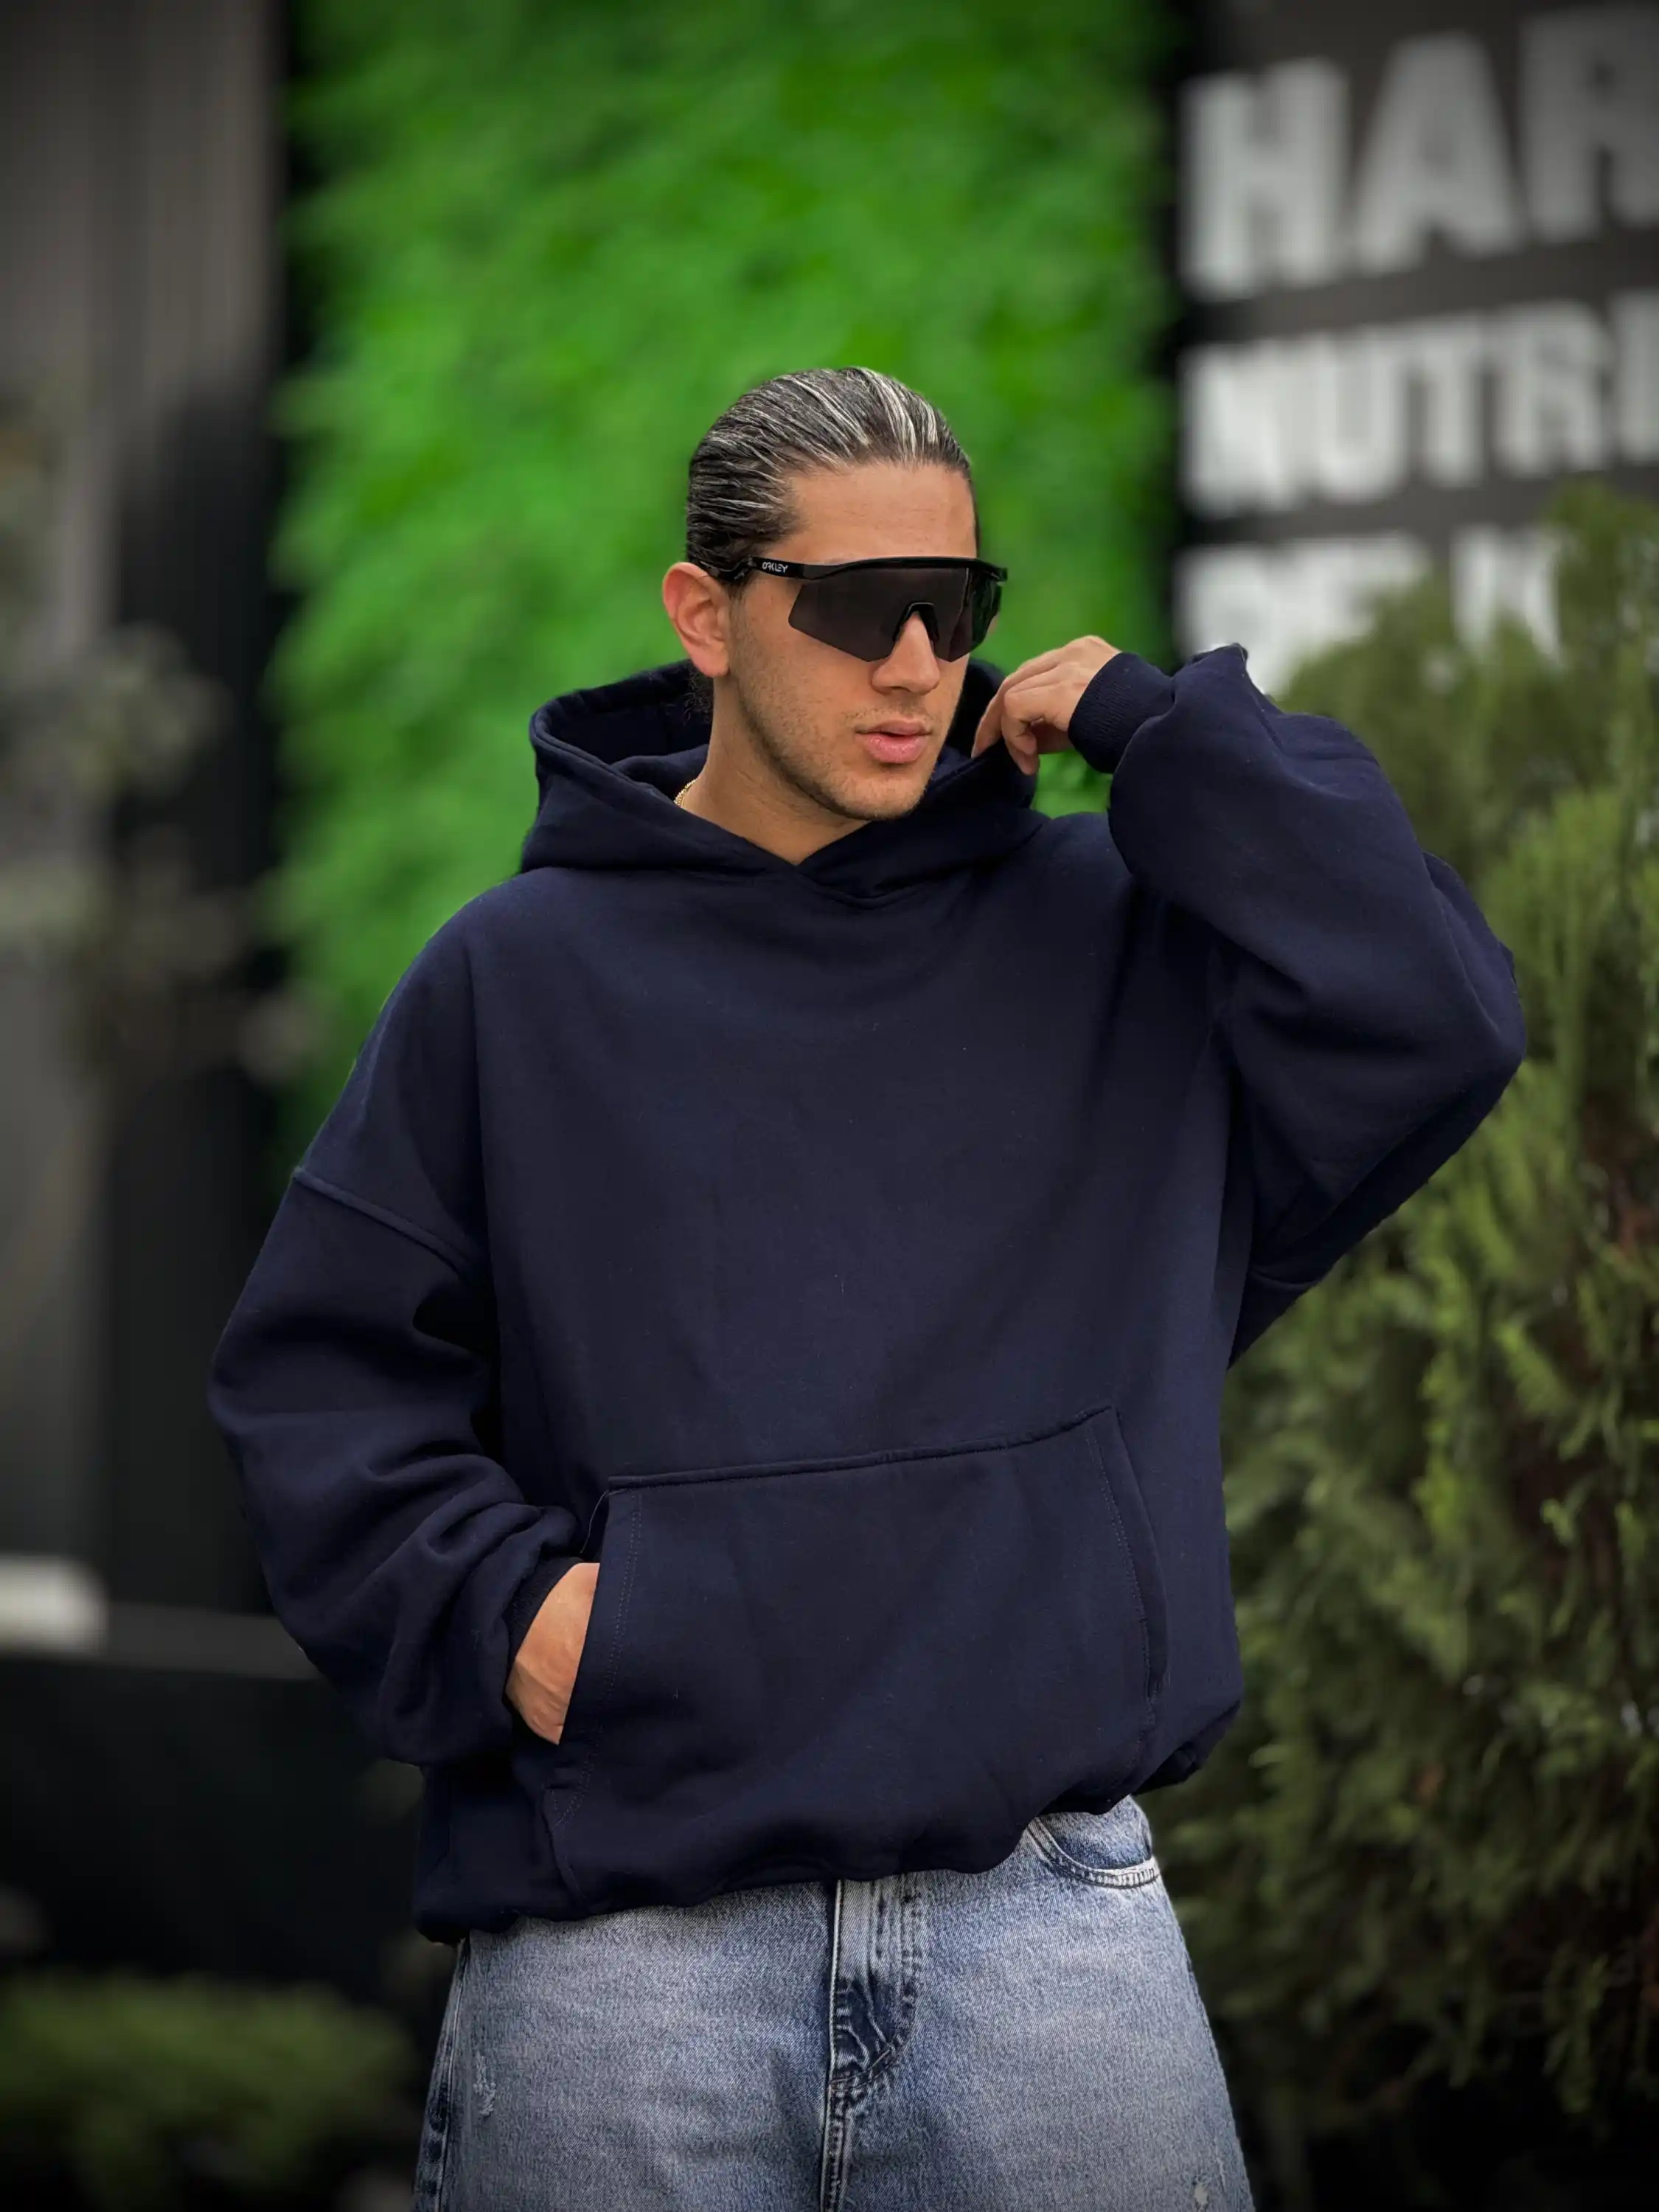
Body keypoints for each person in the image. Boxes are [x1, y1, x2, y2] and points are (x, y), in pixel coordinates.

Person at [207, 366, 1526, 2211]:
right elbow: (320, 1384)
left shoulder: (1122, 943)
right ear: (707, 615)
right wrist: (514, 1612)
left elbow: (1442, 1014)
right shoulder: (519, 978)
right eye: (855, 608)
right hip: (624, 1959)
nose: (917, 663)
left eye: (957, 607)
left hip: (1053, 1933)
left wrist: (1159, 727)